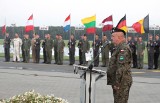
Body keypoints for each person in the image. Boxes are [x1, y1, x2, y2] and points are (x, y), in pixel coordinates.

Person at [107, 27, 132, 103]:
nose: (111, 38)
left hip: (122, 82)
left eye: (113, 36)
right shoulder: (119, 47)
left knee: (121, 101)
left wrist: (117, 83)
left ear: (120, 37)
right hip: (119, 81)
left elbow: (121, 67)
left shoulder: (123, 49)